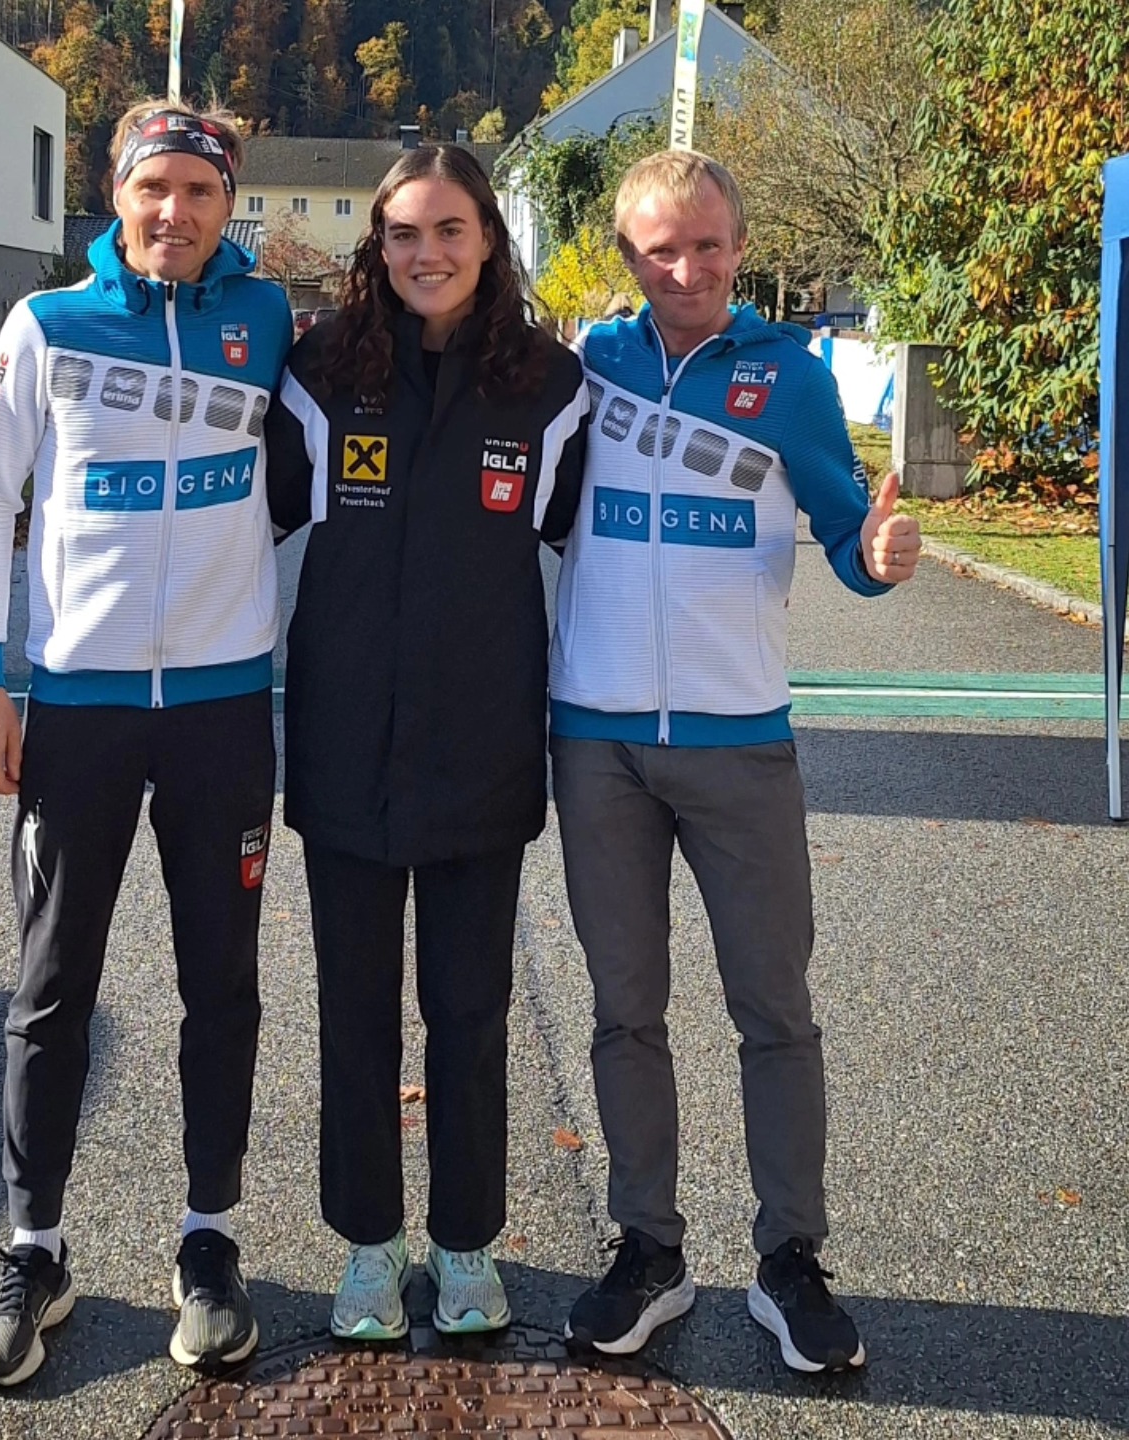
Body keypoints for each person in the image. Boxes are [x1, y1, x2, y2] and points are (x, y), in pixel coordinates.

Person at [551, 150, 922, 1374]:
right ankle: (648, 1251)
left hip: (740, 740)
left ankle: (790, 1261)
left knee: (775, 1010)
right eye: (661, 249)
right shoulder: (590, 365)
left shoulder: (792, 376)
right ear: (628, 257)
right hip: (597, 739)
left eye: (707, 245)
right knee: (624, 1010)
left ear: (740, 248)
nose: (687, 269)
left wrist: (881, 557)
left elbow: (849, 538)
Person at [0, 98, 292, 1387]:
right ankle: (34, 1247)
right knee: (52, 986)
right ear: (118, 195)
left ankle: (209, 1239)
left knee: (224, 985)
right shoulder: (47, 325)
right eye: (155, 188)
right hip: (80, 711)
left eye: (200, 192)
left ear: (227, 205)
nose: (175, 212)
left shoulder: (268, 324)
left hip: (220, 712)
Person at [265, 144, 588, 1341]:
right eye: (404, 233)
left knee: (469, 1011)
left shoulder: (550, 387)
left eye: (450, 229)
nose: (427, 253)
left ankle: (464, 1246)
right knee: (355, 1012)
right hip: (347, 742)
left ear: (489, 239)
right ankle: (368, 1246)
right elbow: (256, 522)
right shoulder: (318, 372)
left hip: (482, 747)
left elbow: (579, 546)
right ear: (378, 246)